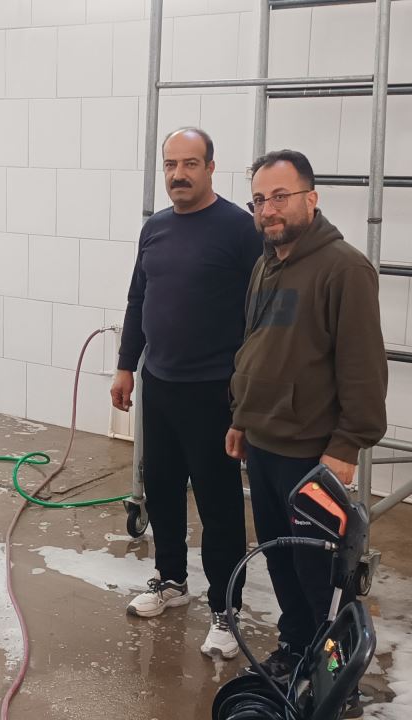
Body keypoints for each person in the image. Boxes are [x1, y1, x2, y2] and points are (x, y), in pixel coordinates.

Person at [225, 149, 388, 684]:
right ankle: (296, 648)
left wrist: (346, 445)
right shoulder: (265, 264)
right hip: (265, 443)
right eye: (259, 200)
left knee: (321, 574)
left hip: (312, 454)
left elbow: (364, 367)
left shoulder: (345, 269)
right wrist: (242, 417)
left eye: (280, 196)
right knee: (281, 560)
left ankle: (333, 676)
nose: (268, 209)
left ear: (311, 199)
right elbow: (256, 348)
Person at [113, 127, 262, 660]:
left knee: (219, 504)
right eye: (171, 164)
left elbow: (260, 314)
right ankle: (171, 579)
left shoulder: (240, 230)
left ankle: (225, 608)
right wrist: (126, 366)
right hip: (161, 383)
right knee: (162, 487)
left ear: (211, 168)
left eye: (190, 164)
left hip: (215, 390)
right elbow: (138, 299)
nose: (179, 174)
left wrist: (247, 392)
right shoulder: (154, 228)